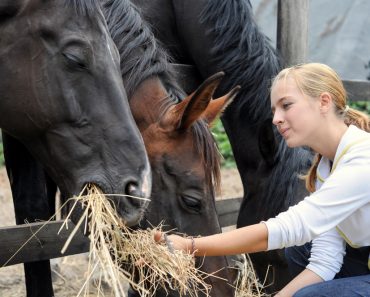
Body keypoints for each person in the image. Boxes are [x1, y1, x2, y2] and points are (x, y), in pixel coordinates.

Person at [154, 63, 370, 297]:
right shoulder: (326, 168)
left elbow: (292, 226)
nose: (276, 118)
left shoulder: (362, 159)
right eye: (274, 109)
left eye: (286, 105)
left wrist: (190, 246)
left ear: (324, 102)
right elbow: (325, 261)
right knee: (300, 252)